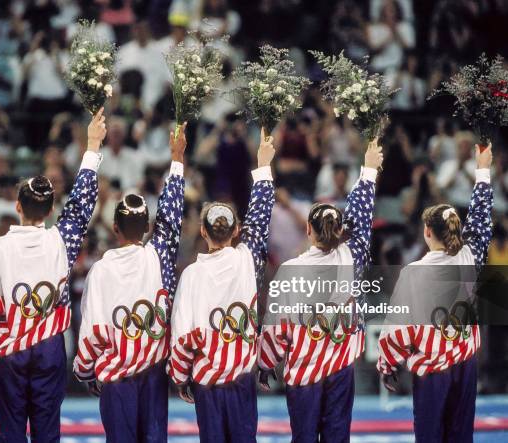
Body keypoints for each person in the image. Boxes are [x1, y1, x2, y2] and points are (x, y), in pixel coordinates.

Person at [0, 109, 107, 442]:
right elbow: (83, 202)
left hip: (9, 350)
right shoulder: (62, 240)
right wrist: (92, 145)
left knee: (11, 430)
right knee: (47, 431)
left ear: (17, 205)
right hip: (48, 347)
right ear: (51, 208)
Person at [258, 139, 384, 443]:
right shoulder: (351, 257)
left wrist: (266, 362)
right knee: (337, 437)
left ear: (307, 230)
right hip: (340, 367)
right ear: (340, 231)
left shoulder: (290, 271)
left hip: (303, 371)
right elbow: (363, 215)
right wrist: (368, 168)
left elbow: (277, 324)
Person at [73, 123, 188, 442]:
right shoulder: (159, 256)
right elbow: (172, 215)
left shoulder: (100, 270)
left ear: (114, 227)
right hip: (152, 375)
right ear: (148, 225)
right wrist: (177, 158)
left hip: (116, 378)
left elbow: (94, 330)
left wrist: (85, 371)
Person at [377, 144, 494, 443]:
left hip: (432, 371)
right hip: (465, 365)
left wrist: (388, 364)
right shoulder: (470, 256)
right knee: (460, 436)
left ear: (427, 232)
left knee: (430, 436)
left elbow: (397, 327)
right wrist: (483, 169)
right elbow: (481, 217)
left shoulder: (414, 273)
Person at [168, 128, 276, 442]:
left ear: (202, 232)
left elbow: (183, 334)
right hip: (241, 379)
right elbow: (261, 213)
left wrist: (180, 376)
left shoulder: (191, 275)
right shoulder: (247, 259)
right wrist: (263, 164)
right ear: (237, 230)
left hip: (207, 382)